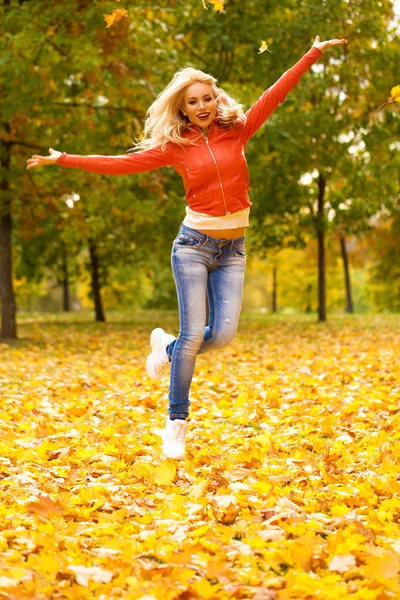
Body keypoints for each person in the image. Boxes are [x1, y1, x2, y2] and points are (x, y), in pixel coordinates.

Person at [27, 34, 348, 460]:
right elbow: (120, 165)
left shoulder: (238, 131)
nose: (202, 106)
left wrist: (313, 53)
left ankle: (167, 347)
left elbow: (276, 93)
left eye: (208, 98)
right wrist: (64, 158)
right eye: (193, 101)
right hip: (193, 246)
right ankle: (175, 423)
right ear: (183, 108)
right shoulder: (174, 148)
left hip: (233, 248)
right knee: (195, 333)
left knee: (224, 336)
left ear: (216, 101)